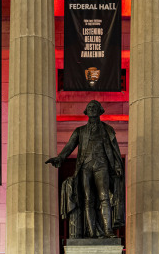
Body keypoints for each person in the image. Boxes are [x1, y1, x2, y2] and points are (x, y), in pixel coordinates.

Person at [46, 100, 125, 239]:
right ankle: (92, 231)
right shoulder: (80, 131)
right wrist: (60, 158)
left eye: (94, 107)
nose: (92, 109)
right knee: (88, 199)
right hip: (85, 167)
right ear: (86, 112)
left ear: (100, 110)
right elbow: (69, 147)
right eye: (89, 107)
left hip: (102, 165)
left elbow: (114, 150)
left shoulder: (107, 130)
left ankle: (107, 230)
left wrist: (117, 165)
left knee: (104, 198)